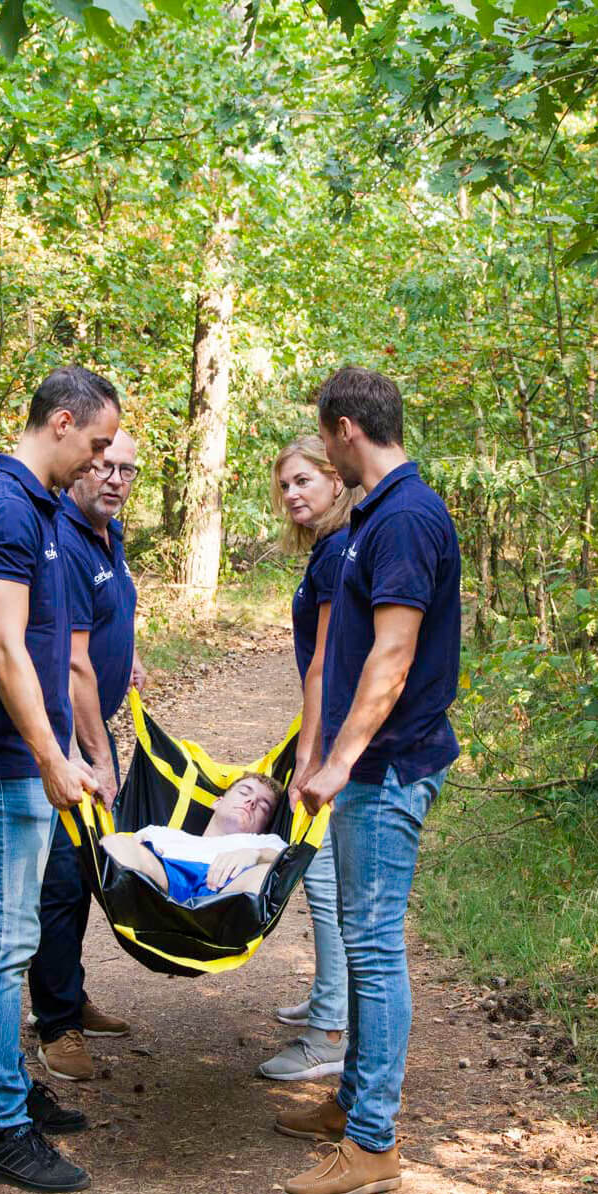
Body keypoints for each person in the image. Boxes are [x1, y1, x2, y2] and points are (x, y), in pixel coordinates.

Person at [0, 365, 120, 1194]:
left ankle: (12, 1087)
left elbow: (46, 653)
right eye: (99, 443)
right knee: (3, 947)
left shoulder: (40, 508)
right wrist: (51, 760)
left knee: (16, 939)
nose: (102, 460)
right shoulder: (5, 511)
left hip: (29, 759)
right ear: (63, 422)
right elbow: (6, 650)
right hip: (1, 762)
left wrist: (73, 752)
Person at [277, 366, 461, 1194]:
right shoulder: (382, 516)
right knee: (360, 937)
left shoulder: (407, 518)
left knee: (377, 948)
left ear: (348, 429)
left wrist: (342, 760)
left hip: (387, 769)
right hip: (368, 765)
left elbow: (392, 656)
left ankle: (374, 1141)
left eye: (324, 438)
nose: (323, 452)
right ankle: (352, 1100)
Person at [29, 430, 145, 1084]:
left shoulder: (110, 535)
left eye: (127, 469)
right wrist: (99, 761)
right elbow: (71, 663)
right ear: (80, 467)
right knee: (64, 880)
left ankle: (68, 995)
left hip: (92, 726)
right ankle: (55, 1025)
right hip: (65, 736)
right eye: (104, 466)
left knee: (90, 870)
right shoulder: (66, 541)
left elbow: (103, 624)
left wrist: (127, 657)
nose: (115, 479)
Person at [256, 435, 357, 1083]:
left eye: (304, 481)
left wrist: (312, 756)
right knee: (328, 883)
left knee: (324, 885)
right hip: (338, 730)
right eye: (285, 486)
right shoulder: (334, 547)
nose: (293, 494)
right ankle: (329, 1001)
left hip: (340, 737)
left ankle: (329, 1036)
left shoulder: (338, 553)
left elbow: (326, 662)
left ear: (335, 479)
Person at [103, 774, 286, 903]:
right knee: (114, 842)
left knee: (265, 874)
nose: (251, 802)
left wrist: (256, 855)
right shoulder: (161, 833)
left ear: (265, 825)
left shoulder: (266, 843)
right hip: (162, 881)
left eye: (264, 805)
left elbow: (290, 862)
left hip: (225, 895)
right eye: (244, 793)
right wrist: (141, 848)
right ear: (218, 801)